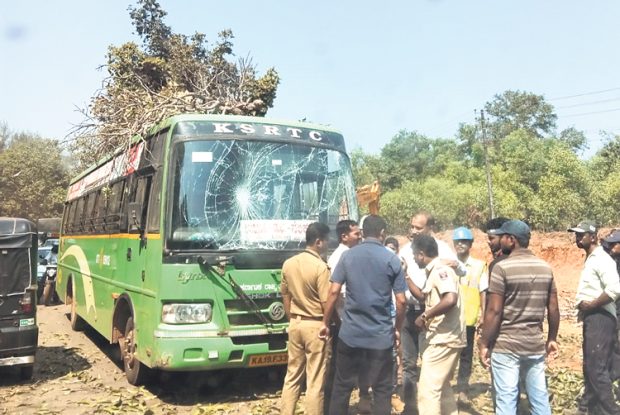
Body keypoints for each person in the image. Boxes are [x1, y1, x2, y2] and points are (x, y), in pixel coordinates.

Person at [320, 215, 407, 415]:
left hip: (350, 336)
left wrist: (325, 322)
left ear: (363, 232)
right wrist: (396, 329)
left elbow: (333, 292)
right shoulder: (391, 258)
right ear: (382, 233)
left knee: (342, 388)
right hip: (380, 339)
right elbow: (401, 301)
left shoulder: (347, 256)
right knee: (382, 390)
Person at [479, 220, 559, 415]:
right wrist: (551, 339)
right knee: (539, 399)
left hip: (506, 345)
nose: (501, 240)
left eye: (503, 236)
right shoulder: (545, 268)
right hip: (534, 345)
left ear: (511, 240)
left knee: (506, 398)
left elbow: (494, 311)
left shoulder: (502, 268)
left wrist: (484, 343)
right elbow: (554, 309)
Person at [399, 211, 466, 415]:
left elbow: (450, 298)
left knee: (428, 392)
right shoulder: (431, 270)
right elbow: (423, 297)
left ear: (421, 254)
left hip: (443, 338)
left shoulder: (440, 270)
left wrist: (426, 316)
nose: (413, 231)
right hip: (438, 336)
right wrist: (406, 276)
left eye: (418, 228)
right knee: (443, 389)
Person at [568, 220, 620, 415]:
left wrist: (592, 304)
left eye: (582, 234)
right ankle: (591, 408)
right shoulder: (592, 258)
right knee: (594, 366)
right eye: (576, 235)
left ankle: (612, 411)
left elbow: (615, 288)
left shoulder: (601, 259)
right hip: (593, 318)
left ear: (593, 236)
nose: (578, 238)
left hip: (600, 317)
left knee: (596, 369)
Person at [280, 222, 332, 415]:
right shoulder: (321, 267)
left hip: (295, 322)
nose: (327, 244)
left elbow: (285, 295)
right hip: (316, 325)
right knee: (315, 380)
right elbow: (327, 301)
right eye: (326, 241)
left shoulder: (289, 263)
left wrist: (291, 318)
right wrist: (328, 323)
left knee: (292, 375)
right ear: (318, 242)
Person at [324, 219, 361, 414]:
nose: (360, 236)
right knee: (342, 372)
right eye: (356, 233)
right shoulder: (343, 256)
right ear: (344, 236)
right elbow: (338, 292)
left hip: (343, 320)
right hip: (342, 321)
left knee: (341, 371)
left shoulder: (345, 255)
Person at [452, 227, 488, 402]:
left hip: (469, 317)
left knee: (466, 355)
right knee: (449, 353)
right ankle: (445, 387)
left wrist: (483, 313)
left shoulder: (479, 266)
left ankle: (462, 389)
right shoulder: (447, 263)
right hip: (449, 317)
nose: (460, 244)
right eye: (458, 242)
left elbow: (483, 291)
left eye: (464, 241)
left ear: (471, 244)